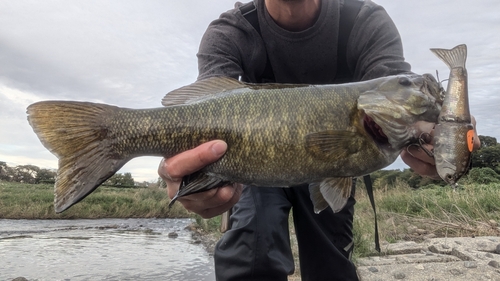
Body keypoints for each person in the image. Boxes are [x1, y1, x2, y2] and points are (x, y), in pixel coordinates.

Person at [158, 0, 481, 280]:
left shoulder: (364, 19)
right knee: (252, 248)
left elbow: (397, 85)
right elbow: (201, 112)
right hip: (253, 166)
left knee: (331, 262)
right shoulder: (230, 30)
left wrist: (437, 131)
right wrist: (193, 176)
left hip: (339, 162)